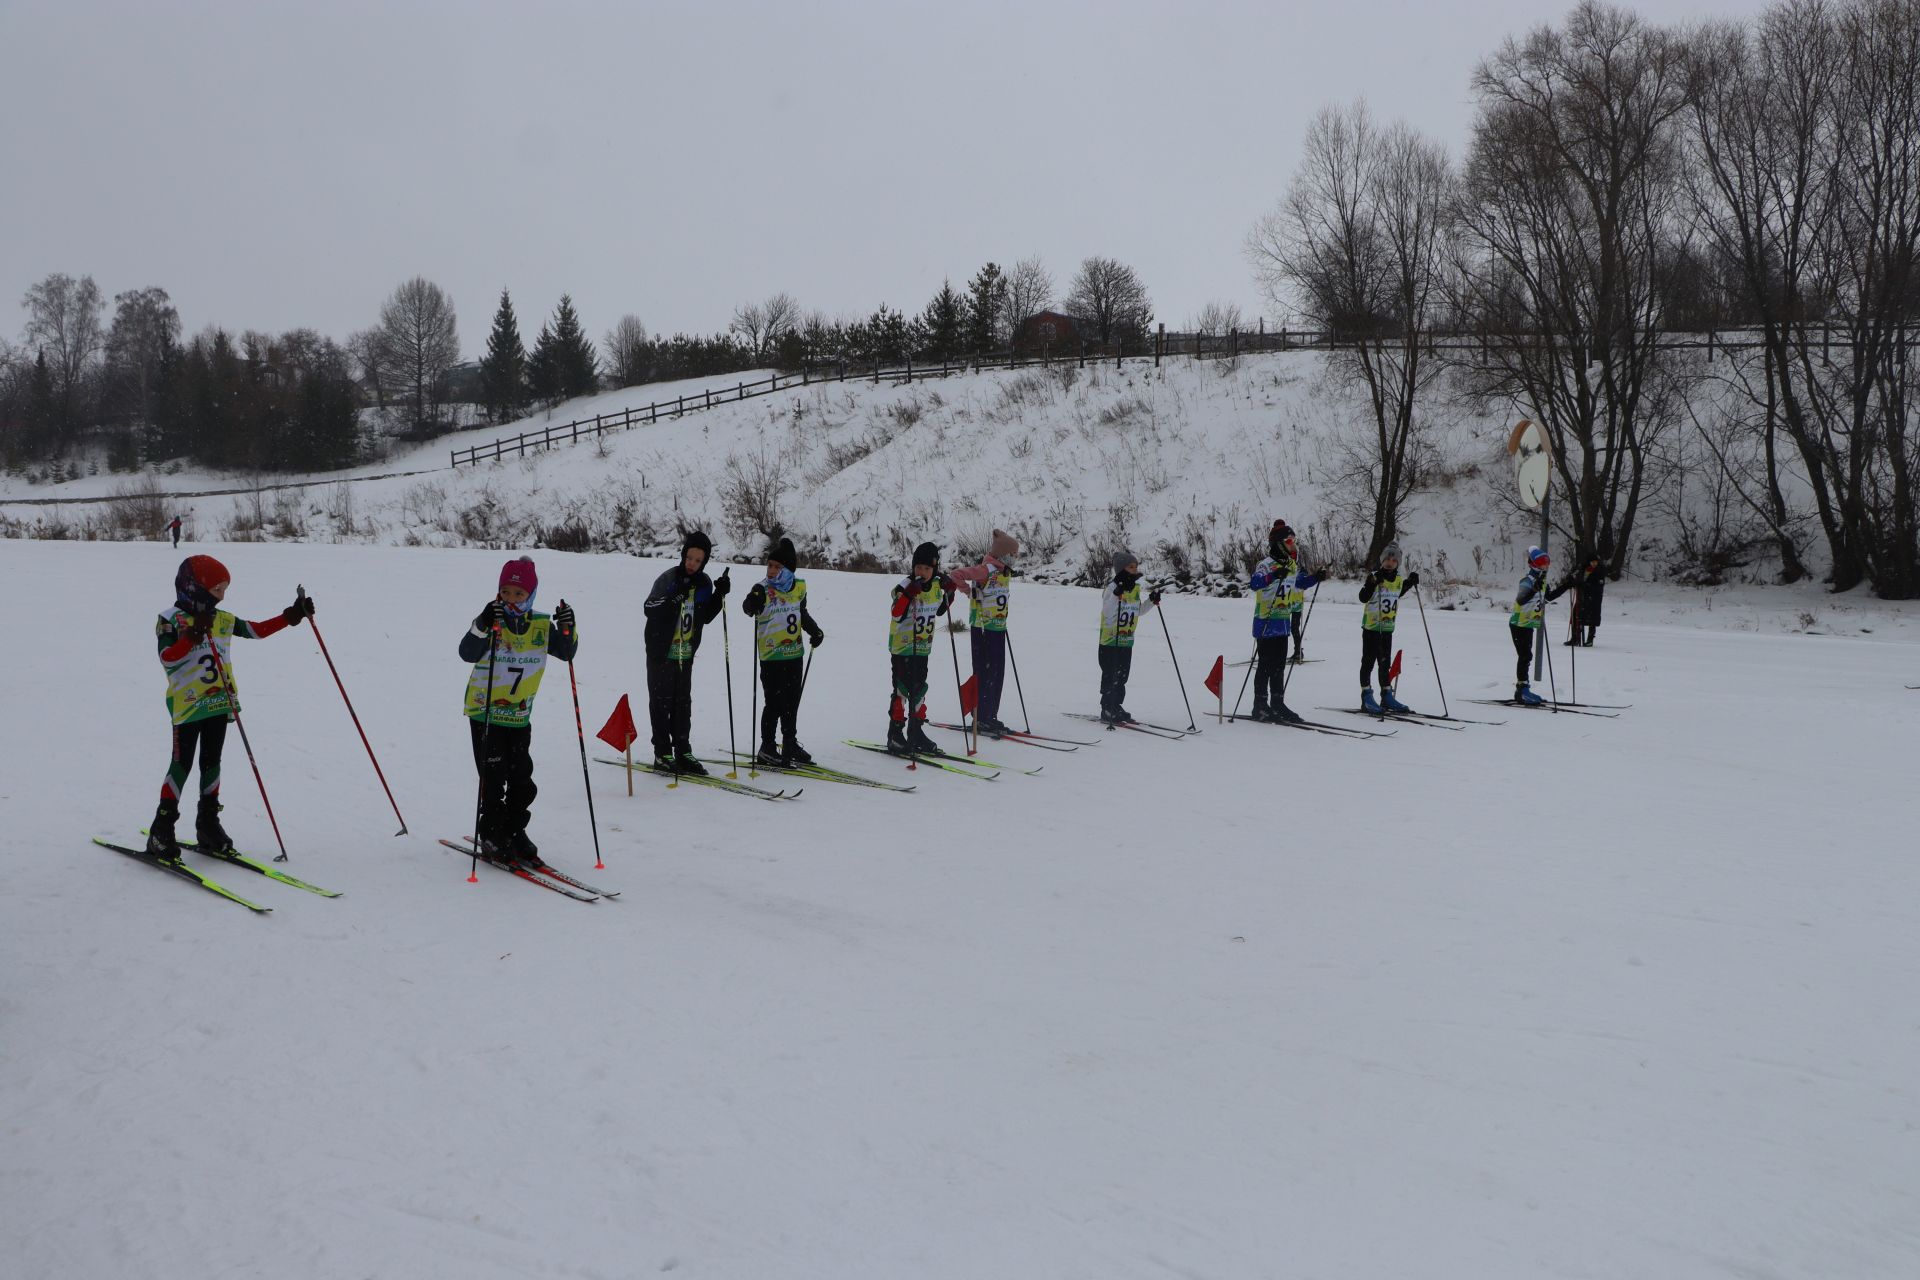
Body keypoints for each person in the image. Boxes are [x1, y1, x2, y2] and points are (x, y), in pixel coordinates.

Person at [146, 555, 316, 857]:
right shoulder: (170, 619)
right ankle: (162, 830)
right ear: (194, 588)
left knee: (212, 764)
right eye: (217, 590)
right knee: (181, 765)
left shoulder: (222, 619)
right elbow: (167, 657)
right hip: (187, 707)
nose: (222, 596)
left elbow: (256, 630)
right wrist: (191, 635)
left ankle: (208, 824)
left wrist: (291, 615)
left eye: (224, 590)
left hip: (218, 703)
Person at [459, 556, 577, 866]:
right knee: (494, 779)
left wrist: (568, 626)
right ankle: (491, 833)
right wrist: (484, 622)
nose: (511, 600)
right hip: (485, 713)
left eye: (519, 594)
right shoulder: (492, 620)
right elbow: (467, 652)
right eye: (506, 592)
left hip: (519, 715)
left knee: (522, 779)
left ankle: (512, 830)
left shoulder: (540, 624)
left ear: (531, 595)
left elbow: (566, 653)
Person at [641, 529, 730, 774]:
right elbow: (649, 608)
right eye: (689, 558)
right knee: (661, 704)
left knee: (682, 704)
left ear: (704, 562)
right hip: (661, 652)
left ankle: (683, 750)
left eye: (698, 560)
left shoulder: (703, 583)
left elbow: (706, 616)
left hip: (685, 652)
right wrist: (673, 600)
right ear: (683, 555)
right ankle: (662, 753)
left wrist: (719, 594)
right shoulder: (667, 579)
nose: (692, 564)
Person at [741, 536, 823, 767]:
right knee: (774, 703)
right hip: (771, 657)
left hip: (794, 653)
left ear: (788, 570)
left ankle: (789, 742)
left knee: (791, 702)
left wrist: (814, 631)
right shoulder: (762, 589)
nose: (772, 570)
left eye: (778, 566)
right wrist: (753, 602)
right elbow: (748, 608)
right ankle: (767, 746)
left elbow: (801, 614)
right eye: (770, 565)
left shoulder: (799, 588)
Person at [947, 528, 1019, 736]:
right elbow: (956, 574)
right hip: (983, 629)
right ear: (1003, 554)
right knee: (986, 672)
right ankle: (982, 716)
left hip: (997, 627)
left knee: (997, 673)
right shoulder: (986, 569)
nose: (1014, 559)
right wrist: (969, 591)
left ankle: (990, 715)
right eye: (1012, 555)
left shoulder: (1003, 570)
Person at [1247, 520, 1320, 723]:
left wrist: (1316, 578)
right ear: (1279, 543)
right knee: (1265, 666)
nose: (1293, 545)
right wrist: (1272, 576)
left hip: (1283, 624)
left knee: (1279, 666)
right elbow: (1255, 584)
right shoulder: (1266, 564)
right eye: (1289, 541)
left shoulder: (1291, 565)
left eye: (1294, 541)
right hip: (1265, 622)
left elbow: (1299, 584)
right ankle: (1260, 705)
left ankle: (1277, 703)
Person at [885, 541, 951, 754]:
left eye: (927, 569)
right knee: (901, 690)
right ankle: (895, 734)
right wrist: (908, 595)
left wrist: (950, 593)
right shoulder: (905, 585)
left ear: (935, 570)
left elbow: (941, 610)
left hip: (923, 647)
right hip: (903, 647)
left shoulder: (934, 586)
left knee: (919, 690)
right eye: (918, 567)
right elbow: (896, 613)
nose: (921, 572)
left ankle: (916, 731)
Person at [1098, 550, 1160, 723]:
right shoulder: (1111, 588)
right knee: (1111, 675)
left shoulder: (1134, 588)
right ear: (1121, 569)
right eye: (1130, 567)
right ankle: (1107, 708)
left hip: (1126, 640)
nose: (1134, 569)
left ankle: (1116, 705)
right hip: (1110, 640)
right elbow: (1107, 612)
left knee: (1122, 676)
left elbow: (1136, 611)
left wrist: (1151, 602)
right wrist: (1116, 594)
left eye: (1136, 566)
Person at [1357, 542, 1420, 713]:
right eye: (1387, 558)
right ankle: (1366, 696)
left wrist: (1410, 582)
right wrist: (1371, 584)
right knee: (1368, 662)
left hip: (1387, 629)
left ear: (1398, 562)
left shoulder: (1398, 580)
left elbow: (1398, 592)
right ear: (1382, 560)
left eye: (1394, 559)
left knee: (1385, 664)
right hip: (1371, 628)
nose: (1390, 562)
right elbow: (1363, 597)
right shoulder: (1374, 576)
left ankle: (1386, 695)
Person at [1509, 545, 1569, 705]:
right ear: (1534, 564)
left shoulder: (1542, 582)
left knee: (1526, 655)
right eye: (1543, 563)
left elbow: (1547, 598)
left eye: (1547, 563)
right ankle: (1522, 690)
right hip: (1519, 623)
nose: (1546, 566)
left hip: (1529, 623)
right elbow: (1521, 599)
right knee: (1525, 656)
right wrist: (1534, 589)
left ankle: (1522, 690)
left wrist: (1567, 585)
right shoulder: (1527, 581)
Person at [1562, 552, 1606, 647]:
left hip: (1594, 599)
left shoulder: (1599, 571)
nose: (1594, 564)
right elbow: (1577, 579)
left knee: (1592, 619)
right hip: (1582, 597)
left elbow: (1599, 586)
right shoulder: (1582, 569)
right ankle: (1575, 637)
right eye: (1592, 562)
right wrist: (1573, 581)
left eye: (1596, 562)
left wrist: (1586, 586)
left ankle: (1590, 639)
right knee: (1576, 616)